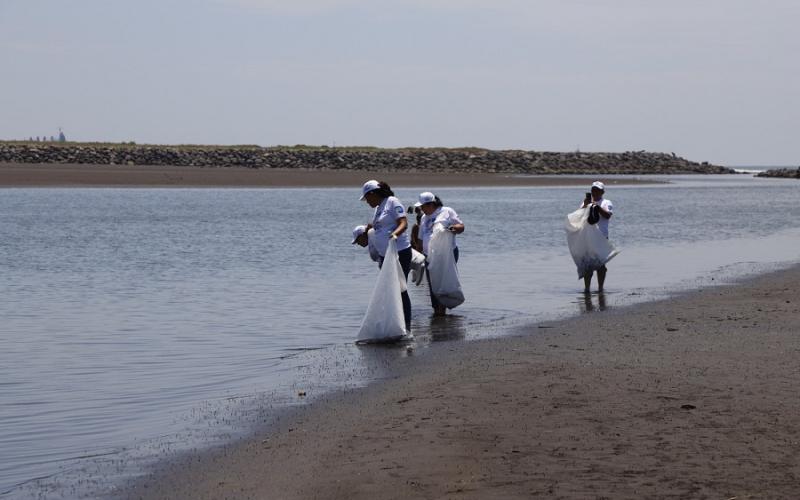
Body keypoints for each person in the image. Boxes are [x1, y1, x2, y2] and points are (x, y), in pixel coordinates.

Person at [360, 180, 413, 332]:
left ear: (373, 194)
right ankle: (394, 324)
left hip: (400, 252)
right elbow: (381, 226)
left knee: (400, 289)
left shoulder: (392, 201)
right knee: (389, 290)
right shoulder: (378, 208)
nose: (367, 202)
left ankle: (406, 327)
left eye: (367, 198)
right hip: (386, 256)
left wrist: (394, 235)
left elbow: (403, 222)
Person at [417, 191, 464, 316]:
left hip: (446, 253)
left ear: (431, 204)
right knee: (432, 283)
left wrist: (454, 229)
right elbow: (421, 239)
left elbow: (461, 226)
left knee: (443, 281)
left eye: (423, 206)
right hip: (429, 255)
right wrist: (419, 255)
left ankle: (441, 312)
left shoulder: (447, 211)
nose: (421, 209)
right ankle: (436, 311)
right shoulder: (423, 217)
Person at [580, 181, 613, 292]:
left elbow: (608, 216)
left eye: (597, 190)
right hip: (588, 239)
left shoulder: (606, 202)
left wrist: (597, 207)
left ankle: (600, 288)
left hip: (601, 239)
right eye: (593, 189)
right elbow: (579, 217)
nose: (595, 192)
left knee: (601, 266)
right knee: (587, 266)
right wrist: (585, 205)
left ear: (602, 192)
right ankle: (587, 289)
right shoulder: (586, 202)